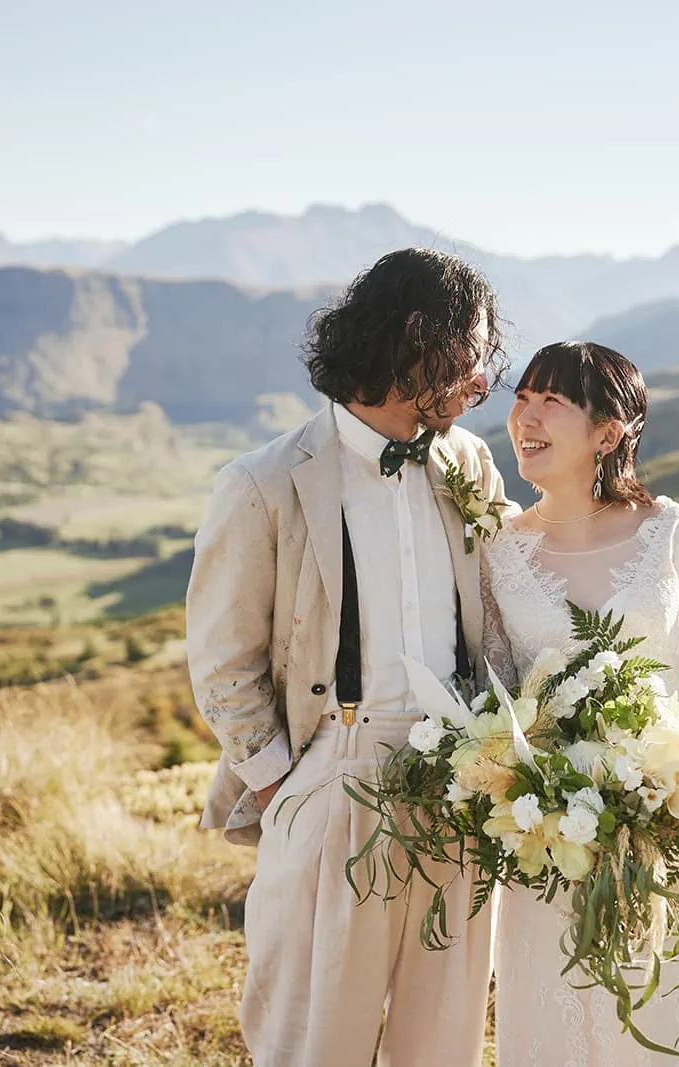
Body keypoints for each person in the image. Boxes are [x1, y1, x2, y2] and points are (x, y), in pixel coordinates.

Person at [185, 247, 512, 1067]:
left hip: (463, 780)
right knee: (313, 1033)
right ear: (415, 337)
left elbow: (520, 577)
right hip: (335, 770)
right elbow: (223, 658)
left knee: (442, 1033)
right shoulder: (263, 482)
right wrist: (285, 787)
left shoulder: (467, 462)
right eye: (472, 351)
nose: (482, 381)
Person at [481, 341, 679, 1066]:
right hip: (551, 839)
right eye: (521, 397)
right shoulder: (497, 550)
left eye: (551, 400)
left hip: (677, 824)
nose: (525, 414)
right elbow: (496, 692)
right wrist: (543, 796)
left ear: (608, 431)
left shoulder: (673, 530)